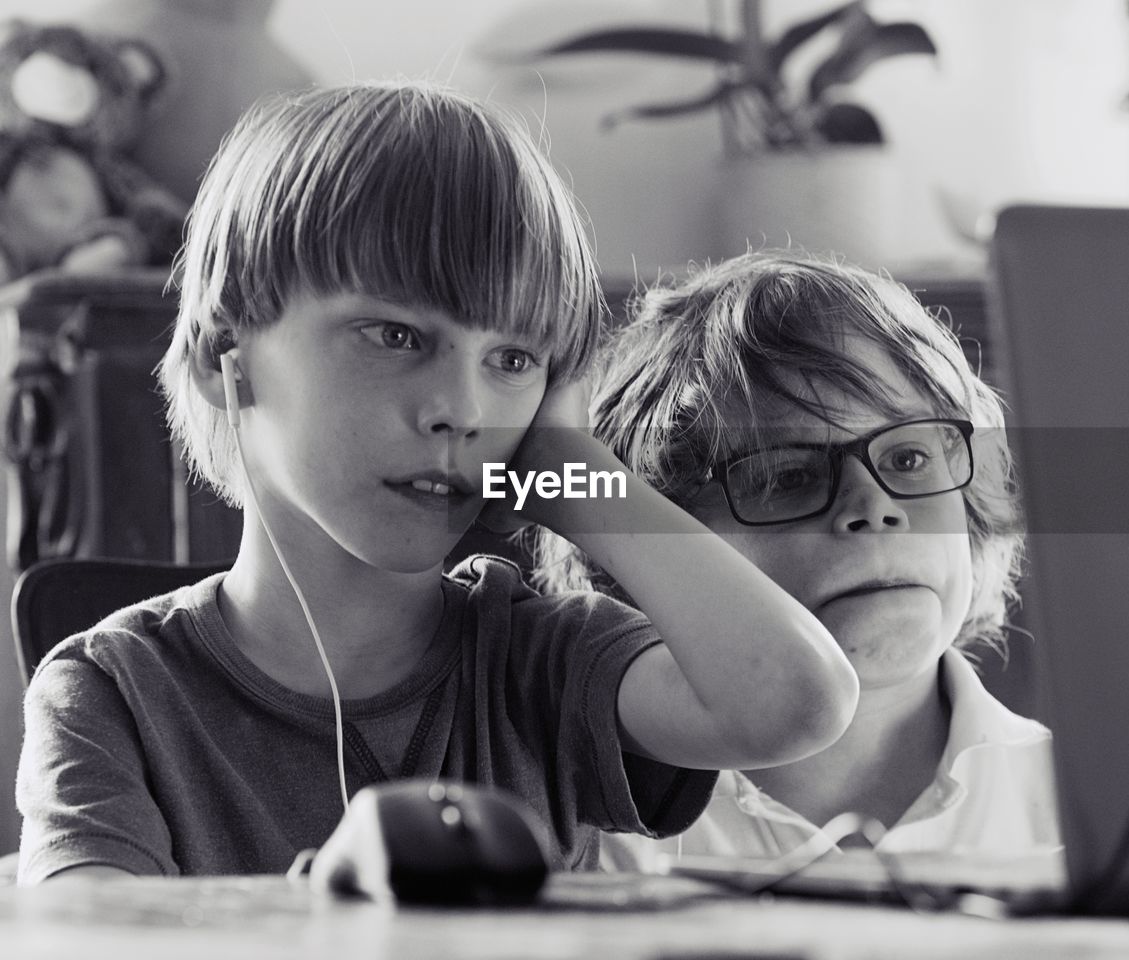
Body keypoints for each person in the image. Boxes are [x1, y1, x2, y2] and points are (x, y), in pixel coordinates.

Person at [14, 86, 859, 891]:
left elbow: (798, 705)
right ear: (220, 358)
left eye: (513, 360)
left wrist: (580, 477)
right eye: (395, 335)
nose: (461, 409)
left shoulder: (541, 661)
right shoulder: (109, 692)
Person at [532, 251, 1061, 870]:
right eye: (788, 476)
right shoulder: (586, 833)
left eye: (910, 458)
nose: (874, 506)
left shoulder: (1084, 804)